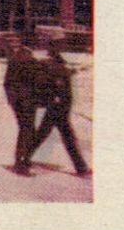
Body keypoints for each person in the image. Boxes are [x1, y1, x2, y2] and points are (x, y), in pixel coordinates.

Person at [29, 48, 91, 177]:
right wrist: (56, 98)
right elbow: (59, 83)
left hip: (58, 108)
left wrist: (77, 70)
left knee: (42, 134)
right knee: (68, 138)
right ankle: (81, 168)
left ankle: (24, 158)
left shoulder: (56, 69)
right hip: (58, 109)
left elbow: (65, 74)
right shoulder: (56, 70)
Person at [3, 37, 44, 175]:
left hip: (16, 102)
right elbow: (38, 82)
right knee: (27, 130)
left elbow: (7, 82)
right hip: (27, 102)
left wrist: (11, 99)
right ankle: (21, 163)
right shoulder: (30, 60)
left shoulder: (14, 58)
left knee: (24, 129)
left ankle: (22, 160)